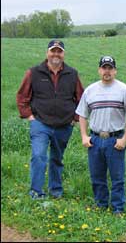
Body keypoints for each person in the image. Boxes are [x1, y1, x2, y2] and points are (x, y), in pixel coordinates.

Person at [16, 40, 84, 199]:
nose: (56, 54)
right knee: (39, 155)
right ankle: (36, 192)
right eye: (53, 51)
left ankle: (55, 191)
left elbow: (81, 98)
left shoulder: (72, 74)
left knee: (56, 159)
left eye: (59, 51)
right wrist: (29, 116)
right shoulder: (33, 73)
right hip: (40, 123)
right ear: (47, 53)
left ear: (63, 54)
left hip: (64, 125)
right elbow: (22, 96)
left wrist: (74, 118)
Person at [75, 55, 126, 215]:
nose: (106, 71)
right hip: (94, 139)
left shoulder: (124, 90)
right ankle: (101, 205)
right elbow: (82, 114)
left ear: (115, 71)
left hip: (115, 140)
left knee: (117, 178)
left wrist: (125, 139)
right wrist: (83, 135)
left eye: (110, 68)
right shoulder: (90, 90)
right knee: (97, 176)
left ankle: (118, 209)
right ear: (99, 70)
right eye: (104, 68)